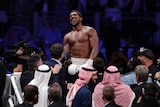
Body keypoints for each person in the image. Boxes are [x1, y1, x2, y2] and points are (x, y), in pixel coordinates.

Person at [63, 10, 99, 75]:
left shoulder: (90, 31)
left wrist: (89, 62)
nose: (72, 16)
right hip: (73, 62)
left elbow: (95, 48)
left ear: (81, 18)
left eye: (75, 15)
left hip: (87, 60)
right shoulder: (67, 36)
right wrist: (68, 62)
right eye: (71, 16)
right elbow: (66, 53)